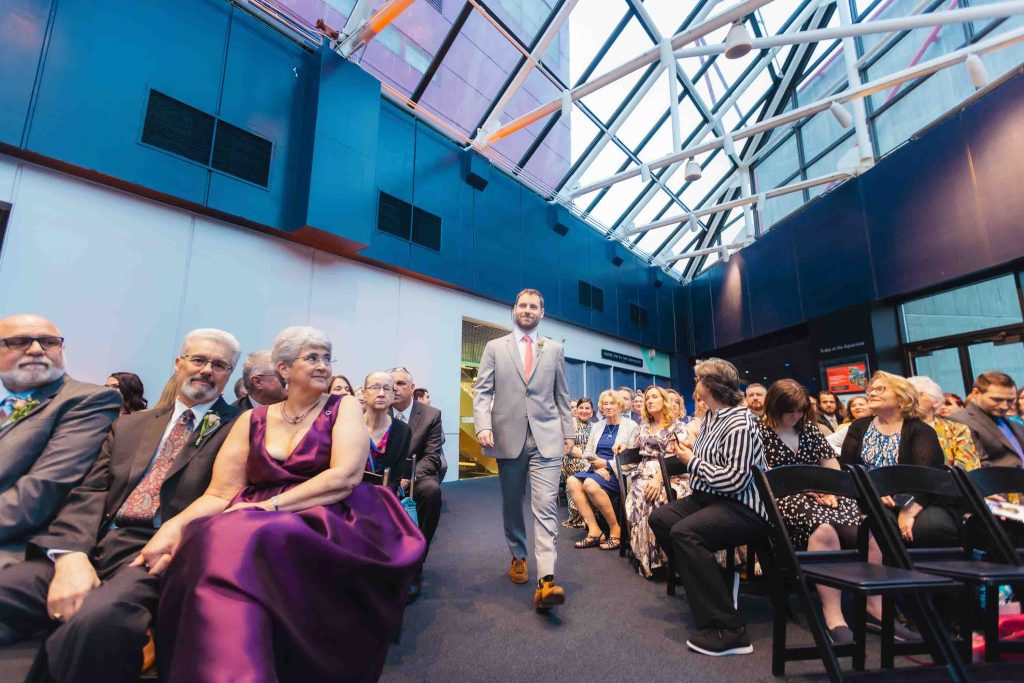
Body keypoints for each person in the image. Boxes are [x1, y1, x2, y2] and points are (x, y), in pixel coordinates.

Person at [147, 327, 424, 682]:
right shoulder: (251, 419)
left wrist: (269, 508)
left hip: (326, 512)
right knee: (206, 535)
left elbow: (344, 477)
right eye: (312, 357)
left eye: (327, 357)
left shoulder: (344, 408)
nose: (323, 365)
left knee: (249, 536)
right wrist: (173, 527)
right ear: (283, 369)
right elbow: (219, 494)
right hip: (250, 514)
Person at [0, 328, 242, 680]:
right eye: (198, 359)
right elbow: (89, 492)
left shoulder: (239, 429)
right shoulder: (131, 425)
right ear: (179, 364)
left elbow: (227, 498)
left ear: (229, 375)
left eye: (219, 365)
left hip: (158, 553)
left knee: (98, 621)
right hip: (94, 543)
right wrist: (71, 555)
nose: (206, 370)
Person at [649, 358, 767, 657]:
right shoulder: (712, 417)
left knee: (685, 534)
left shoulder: (740, 422)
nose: (695, 385)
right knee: (661, 519)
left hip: (743, 505)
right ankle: (717, 583)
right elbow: (710, 467)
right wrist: (691, 456)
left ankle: (730, 630)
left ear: (710, 385)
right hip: (710, 497)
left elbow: (736, 480)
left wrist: (693, 461)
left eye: (698, 380)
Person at [472, 288, 573, 611]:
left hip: (547, 438)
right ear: (513, 310)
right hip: (507, 436)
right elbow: (483, 391)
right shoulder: (494, 347)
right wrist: (483, 425)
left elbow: (562, 396)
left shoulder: (554, 349)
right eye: (522, 305)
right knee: (513, 501)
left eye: (534, 306)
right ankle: (518, 555)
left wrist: (568, 432)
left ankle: (546, 580)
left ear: (542, 313)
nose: (528, 310)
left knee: (544, 506)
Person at [0, 314, 122, 568]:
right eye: (20, 341)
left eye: (48, 342)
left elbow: (43, 489)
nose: (36, 350)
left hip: (16, 547)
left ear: (62, 349)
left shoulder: (88, 400)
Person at [756, 380, 862, 646]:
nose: (795, 416)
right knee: (825, 529)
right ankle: (834, 615)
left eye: (801, 411)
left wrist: (831, 491)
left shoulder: (810, 430)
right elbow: (761, 479)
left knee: (867, 528)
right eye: (789, 411)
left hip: (819, 494)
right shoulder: (758, 432)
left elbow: (831, 468)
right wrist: (807, 488)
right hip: (780, 499)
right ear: (774, 407)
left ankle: (876, 607)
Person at [840, 372, 955, 549]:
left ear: (902, 397)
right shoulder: (859, 427)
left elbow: (924, 476)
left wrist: (908, 509)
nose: (871, 393)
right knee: (881, 523)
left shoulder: (919, 430)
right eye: (870, 390)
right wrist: (874, 489)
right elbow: (848, 469)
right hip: (869, 496)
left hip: (917, 497)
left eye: (880, 389)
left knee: (930, 528)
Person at [389, 367, 445, 601]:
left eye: (401, 383)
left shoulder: (430, 415)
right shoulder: (378, 410)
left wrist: (407, 477)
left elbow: (432, 457)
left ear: (412, 388)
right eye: (391, 384)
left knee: (431, 492)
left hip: (416, 476)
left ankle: (415, 565)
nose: (395, 388)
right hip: (385, 476)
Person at [624, 386, 689, 578]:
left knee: (665, 494)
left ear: (664, 401)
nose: (649, 401)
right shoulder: (641, 428)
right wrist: (622, 447)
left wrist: (660, 478)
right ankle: (651, 557)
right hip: (644, 472)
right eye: (647, 398)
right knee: (644, 495)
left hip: (673, 472)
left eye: (654, 397)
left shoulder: (677, 426)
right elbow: (633, 452)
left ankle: (673, 555)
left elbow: (682, 457)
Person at [568, 390, 638, 552]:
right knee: (572, 481)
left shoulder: (631, 426)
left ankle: (615, 529)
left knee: (590, 485)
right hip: (596, 469)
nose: (608, 407)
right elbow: (587, 453)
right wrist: (597, 466)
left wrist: (607, 464)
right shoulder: (598, 426)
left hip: (618, 472)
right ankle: (595, 531)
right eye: (605, 404)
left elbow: (632, 457)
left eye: (611, 403)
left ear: (619, 405)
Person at [950, 371, 1024, 469]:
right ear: (976, 393)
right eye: (997, 400)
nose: (1005, 406)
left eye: (1010, 400)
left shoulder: (1013, 423)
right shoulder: (959, 422)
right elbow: (980, 469)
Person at [908, 376, 981, 470]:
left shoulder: (956, 429)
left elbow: (968, 467)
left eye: (919, 394)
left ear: (935, 402)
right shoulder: (898, 428)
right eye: (908, 395)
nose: (911, 399)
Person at [363, 371, 412, 482]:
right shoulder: (351, 425)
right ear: (363, 393)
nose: (381, 394)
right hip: (350, 491)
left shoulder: (403, 430)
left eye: (387, 388)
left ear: (393, 395)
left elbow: (395, 476)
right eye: (375, 387)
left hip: (385, 493)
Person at [562, 398, 595, 531]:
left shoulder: (594, 426)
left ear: (592, 412)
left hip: (588, 459)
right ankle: (580, 517)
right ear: (576, 410)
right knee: (585, 468)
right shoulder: (570, 424)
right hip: (572, 460)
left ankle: (593, 515)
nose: (584, 411)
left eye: (587, 408)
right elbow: (567, 447)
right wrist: (587, 456)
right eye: (581, 408)